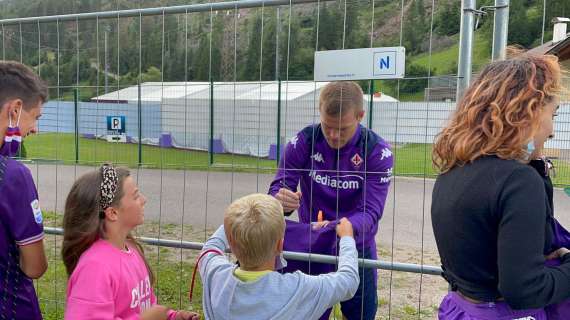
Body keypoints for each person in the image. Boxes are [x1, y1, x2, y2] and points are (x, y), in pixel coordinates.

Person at [431, 50, 570, 319]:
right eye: (553, 114)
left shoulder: (452, 171)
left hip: (459, 309)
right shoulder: (517, 181)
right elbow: (524, 288)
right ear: (529, 112)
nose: (552, 131)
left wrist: (537, 164)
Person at [268, 81, 393, 320]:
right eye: (327, 127)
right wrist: (279, 199)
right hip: (312, 245)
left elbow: (371, 212)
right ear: (319, 111)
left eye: (343, 129)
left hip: (357, 247)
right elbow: (279, 186)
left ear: (360, 116)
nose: (334, 135)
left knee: (359, 315)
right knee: (309, 315)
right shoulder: (303, 142)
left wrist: (340, 230)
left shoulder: (377, 152)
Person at [62, 164, 199, 320]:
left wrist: (173, 317)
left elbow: (143, 307)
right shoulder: (95, 267)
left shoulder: (131, 250)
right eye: (135, 196)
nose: (144, 200)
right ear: (113, 213)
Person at [198, 193, 359, 320]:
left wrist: (242, 217)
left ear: (231, 243)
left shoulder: (215, 276)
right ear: (279, 245)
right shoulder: (297, 289)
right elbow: (348, 281)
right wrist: (346, 238)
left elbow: (210, 247)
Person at [0, 61, 48, 320]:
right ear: (15, 109)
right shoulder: (13, 177)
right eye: (36, 117)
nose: (35, 129)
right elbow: (34, 266)